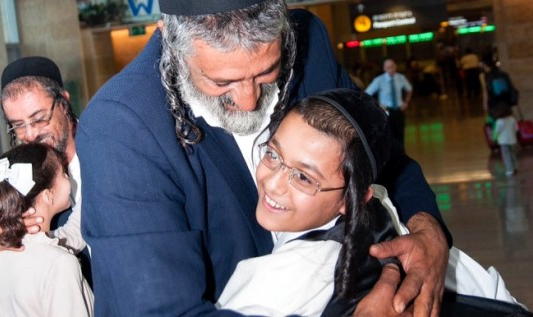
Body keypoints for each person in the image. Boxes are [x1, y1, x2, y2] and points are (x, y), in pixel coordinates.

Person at [77, 0, 451, 315]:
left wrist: (428, 232)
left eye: (267, 73)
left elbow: (379, 159)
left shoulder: (308, 44)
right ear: (169, 40)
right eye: (221, 83)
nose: (248, 101)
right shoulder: (122, 126)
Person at [216, 88, 526, 316]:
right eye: (273, 154)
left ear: (352, 200)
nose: (272, 182)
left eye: (304, 178)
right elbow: (497, 297)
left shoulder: (284, 279)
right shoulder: (393, 221)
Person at [0, 56, 90, 286]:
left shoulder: (105, 143)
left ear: (64, 103)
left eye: (39, 119)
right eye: (17, 125)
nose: (30, 134)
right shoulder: (7, 175)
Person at [0, 143, 94, 317]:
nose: (69, 178)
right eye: (64, 174)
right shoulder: (59, 264)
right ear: (48, 195)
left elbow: (72, 233)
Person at [365, 58, 413, 145]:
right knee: (388, 135)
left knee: (400, 135)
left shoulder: (400, 78)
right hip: (386, 111)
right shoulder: (379, 80)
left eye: (392, 67)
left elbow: (409, 89)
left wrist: (406, 101)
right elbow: (367, 93)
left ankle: (401, 155)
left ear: (395, 67)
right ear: (384, 68)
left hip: (398, 110)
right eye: (388, 67)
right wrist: (377, 105)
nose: (390, 69)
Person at [493, 101, 519, 176]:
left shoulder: (499, 121)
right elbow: (516, 129)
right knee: (513, 154)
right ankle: (515, 167)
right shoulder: (512, 119)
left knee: (506, 155)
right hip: (512, 140)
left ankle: (510, 170)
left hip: (503, 141)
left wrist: (494, 138)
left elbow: (497, 131)